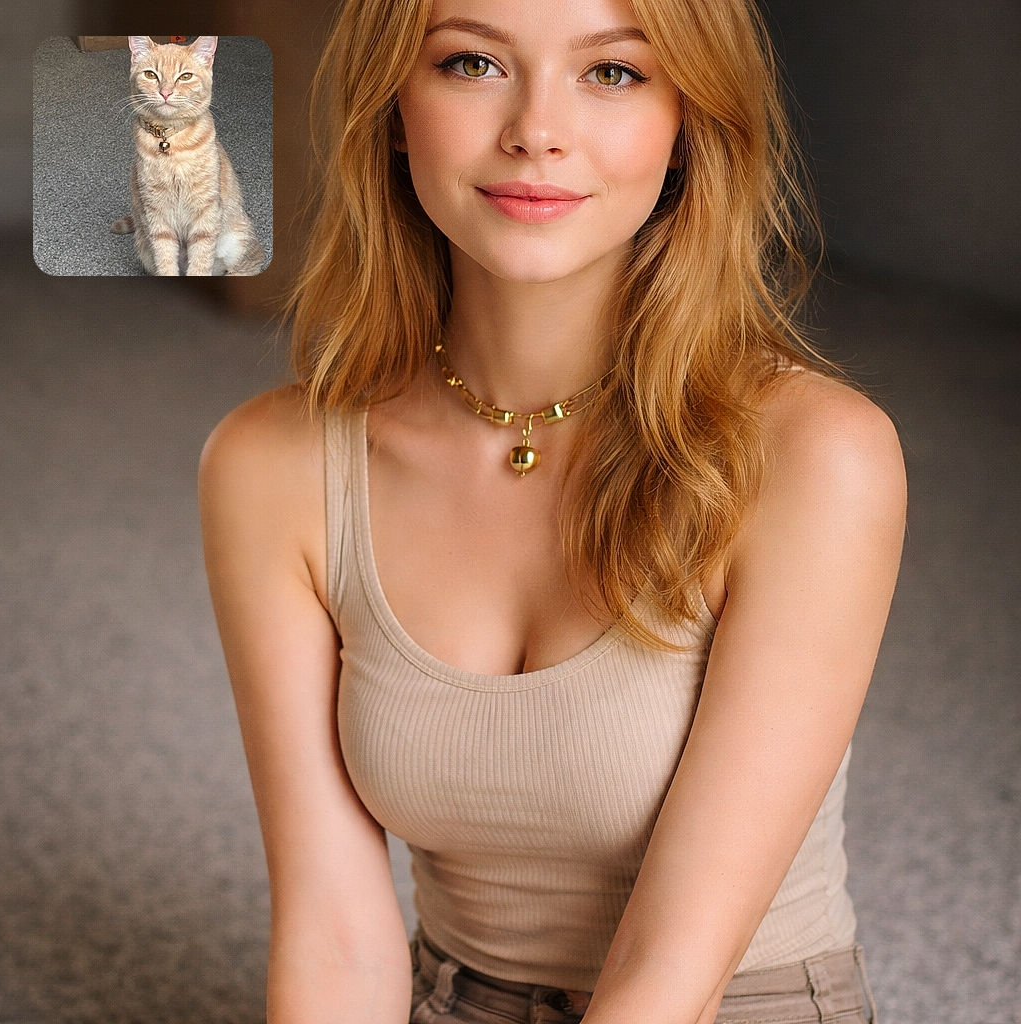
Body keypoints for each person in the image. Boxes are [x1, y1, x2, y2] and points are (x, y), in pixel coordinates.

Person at [199, 0, 906, 1020]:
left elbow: (671, 970)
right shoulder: (270, 465)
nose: (537, 128)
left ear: (687, 129)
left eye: (612, 73)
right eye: (472, 62)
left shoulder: (817, 457)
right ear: (395, 106)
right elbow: (334, 936)